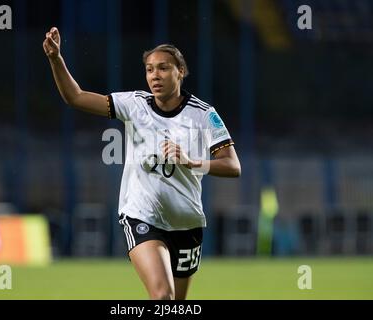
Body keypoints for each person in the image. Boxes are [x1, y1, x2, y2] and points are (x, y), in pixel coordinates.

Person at [43, 27, 241, 300]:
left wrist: (191, 161)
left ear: (180, 71)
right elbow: (75, 97)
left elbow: (233, 166)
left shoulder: (204, 115)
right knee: (163, 297)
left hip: (187, 224)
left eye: (163, 68)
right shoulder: (134, 105)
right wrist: (56, 59)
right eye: (149, 69)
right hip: (141, 216)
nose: (154, 76)